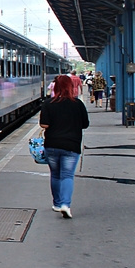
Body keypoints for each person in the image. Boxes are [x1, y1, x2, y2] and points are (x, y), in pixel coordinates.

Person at [39, 74, 89, 218]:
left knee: (55, 175)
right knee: (67, 175)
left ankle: (56, 203)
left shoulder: (48, 103)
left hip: (52, 145)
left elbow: (44, 124)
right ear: (70, 86)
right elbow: (85, 124)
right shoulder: (78, 104)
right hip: (71, 145)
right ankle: (65, 205)